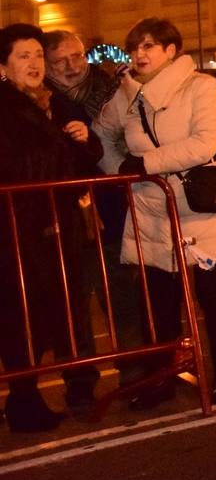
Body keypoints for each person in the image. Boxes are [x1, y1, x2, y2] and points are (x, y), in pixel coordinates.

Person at [93, 17, 216, 407]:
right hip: (151, 207)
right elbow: (102, 135)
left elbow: (205, 142)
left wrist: (141, 165)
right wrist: (117, 170)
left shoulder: (201, 86)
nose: (139, 54)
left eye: (149, 46)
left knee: (212, 293)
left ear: (170, 51)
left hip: (202, 206)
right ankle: (164, 374)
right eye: (134, 47)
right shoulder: (124, 96)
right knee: (159, 300)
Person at [0, 24, 102, 431]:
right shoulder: (5, 107)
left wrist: (81, 139)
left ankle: (31, 398)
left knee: (50, 312)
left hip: (56, 225)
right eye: (24, 55)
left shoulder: (53, 102)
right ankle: (24, 400)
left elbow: (85, 157)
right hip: (18, 228)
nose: (35, 63)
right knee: (23, 315)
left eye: (39, 55)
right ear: (4, 65)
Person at [42, 29, 143, 386]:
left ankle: (135, 370)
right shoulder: (40, 99)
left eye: (77, 56)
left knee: (120, 293)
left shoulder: (111, 88)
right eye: (60, 61)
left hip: (111, 204)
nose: (72, 66)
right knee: (73, 302)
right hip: (63, 214)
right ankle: (80, 381)